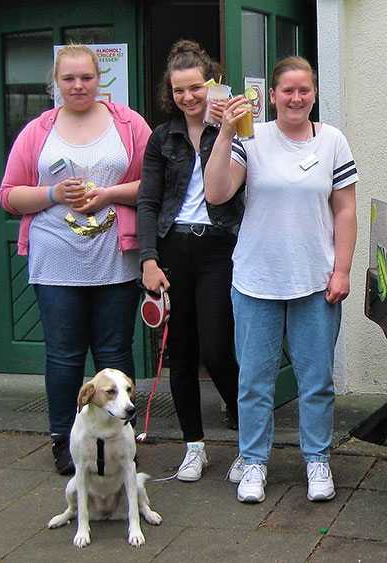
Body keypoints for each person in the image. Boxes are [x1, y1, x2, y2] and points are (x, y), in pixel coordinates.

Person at [204, 56, 358, 503]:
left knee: (317, 380)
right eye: (287, 90)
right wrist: (226, 131)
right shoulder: (252, 138)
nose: (296, 98)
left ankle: (317, 460)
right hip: (256, 279)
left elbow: (344, 208)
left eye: (304, 90)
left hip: (315, 279)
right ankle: (253, 462)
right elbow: (217, 192)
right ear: (270, 96)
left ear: (313, 94)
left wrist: (342, 268)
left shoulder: (332, 141)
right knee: (254, 379)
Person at [0, 44, 152, 474]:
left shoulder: (127, 123)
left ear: (99, 78)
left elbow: (152, 182)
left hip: (114, 259)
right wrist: (52, 193)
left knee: (114, 351)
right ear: (56, 82)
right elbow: (9, 195)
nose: (78, 85)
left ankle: (119, 439)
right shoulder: (38, 130)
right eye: (69, 78)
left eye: (86, 77)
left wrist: (108, 194)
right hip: (56, 262)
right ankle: (65, 441)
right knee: (64, 355)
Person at [137, 40, 244, 482]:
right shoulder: (163, 137)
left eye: (196, 88)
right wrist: (148, 259)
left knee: (217, 350)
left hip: (220, 247)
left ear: (211, 83)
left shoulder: (239, 129)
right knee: (180, 354)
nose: (188, 97)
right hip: (172, 250)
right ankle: (194, 446)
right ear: (171, 92)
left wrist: (230, 128)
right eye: (179, 90)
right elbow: (147, 201)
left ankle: (247, 436)